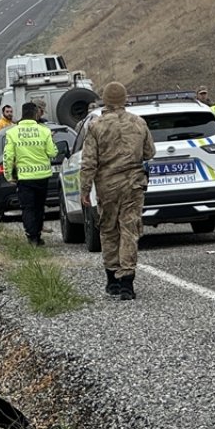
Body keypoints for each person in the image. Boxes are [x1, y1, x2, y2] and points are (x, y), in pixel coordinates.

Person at [80, 81, 155, 300]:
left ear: (105, 100)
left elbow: (89, 162)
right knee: (129, 229)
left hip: (107, 186)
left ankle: (112, 279)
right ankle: (127, 283)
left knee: (109, 229)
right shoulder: (139, 123)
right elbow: (150, 152)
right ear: (125, 99)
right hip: (133, 184)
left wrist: (84, 189)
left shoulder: (96, 126)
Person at [3, 102, 56, 247]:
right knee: (39, 207)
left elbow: (8, 156)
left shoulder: (12, 132)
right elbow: (52, 152)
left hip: (24, 177)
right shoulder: (44, 131)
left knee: (27, 207)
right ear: (35, 114)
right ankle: (38, 236)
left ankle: (31, 237)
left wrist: (9, 175)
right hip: (42, 176)